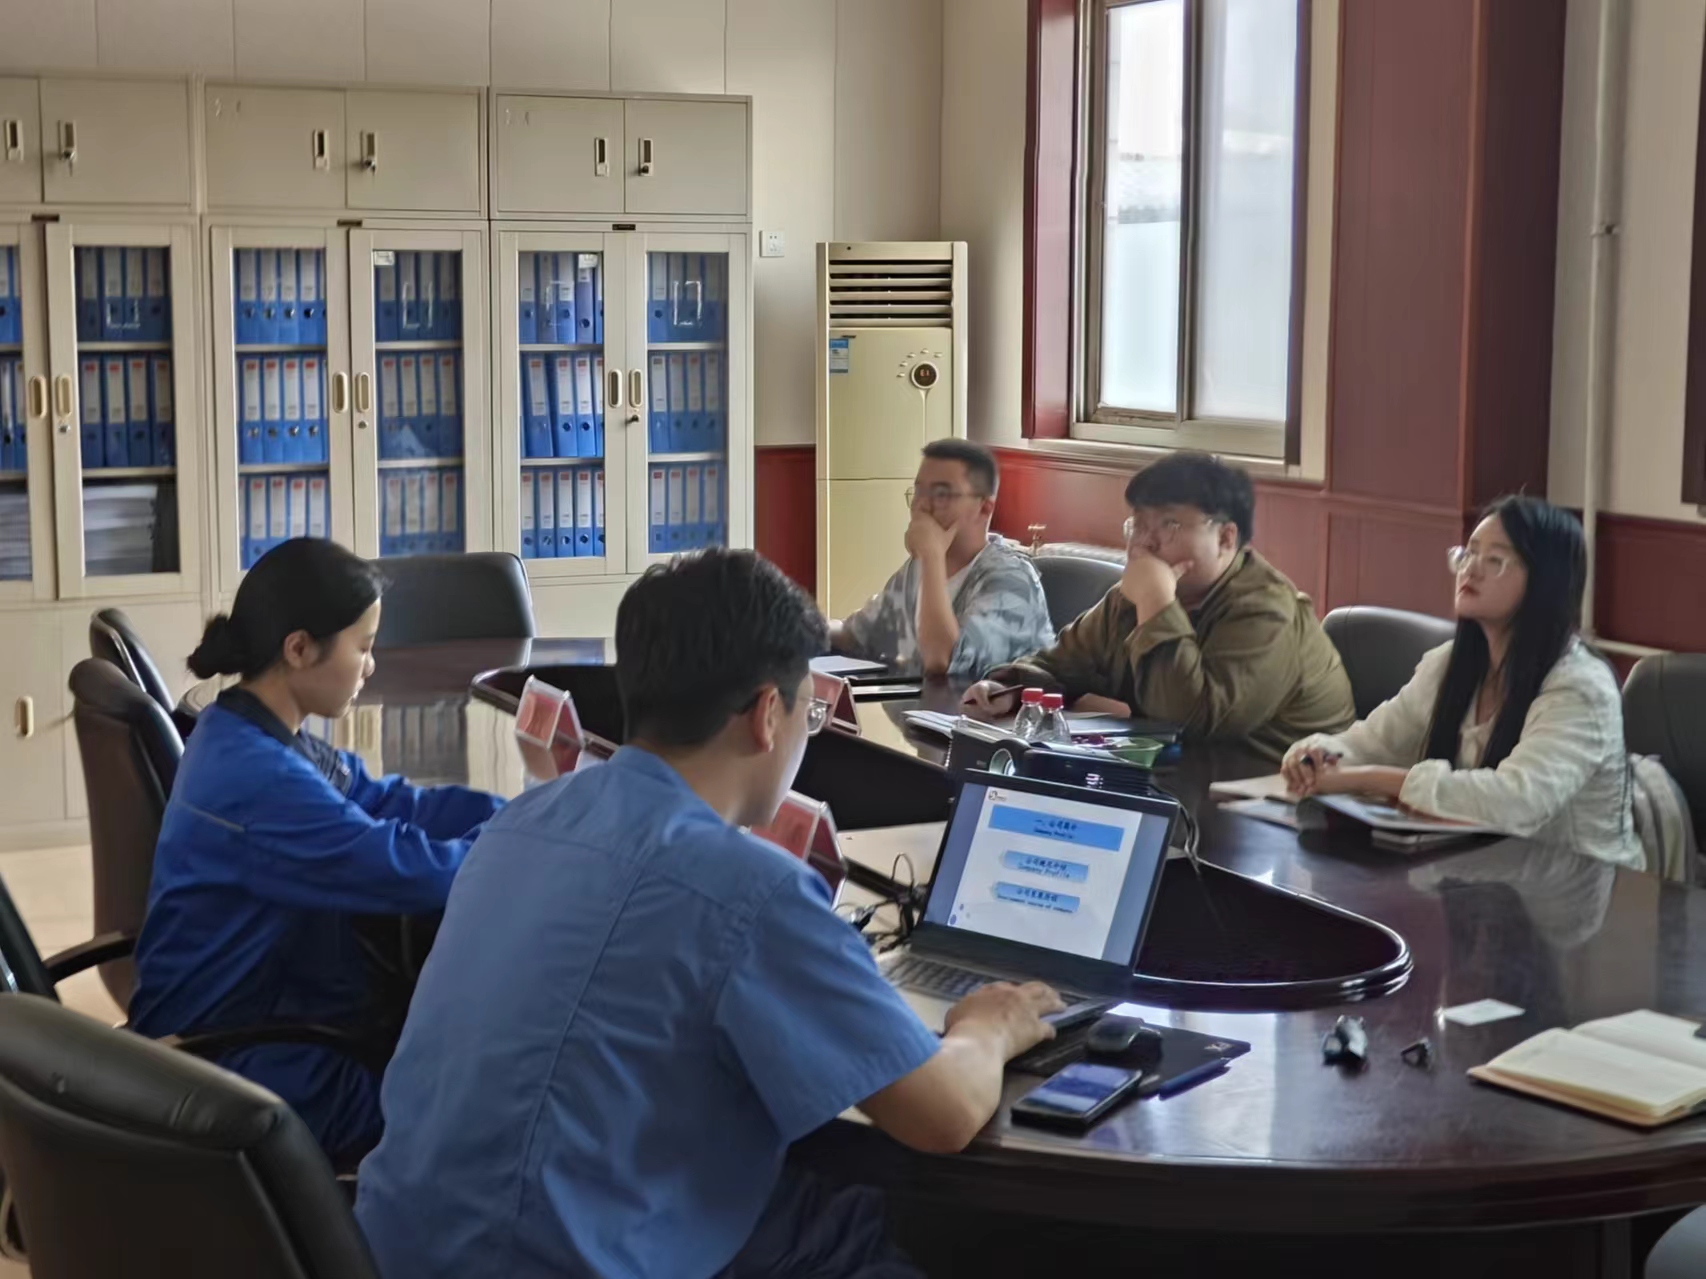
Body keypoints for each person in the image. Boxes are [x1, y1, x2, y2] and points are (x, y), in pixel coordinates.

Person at [356, 549, 1062, 1279]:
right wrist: (991, 1024)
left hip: (396, 1249)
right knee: (883, 1229)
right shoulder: (749, 889)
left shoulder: (522, 822)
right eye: (810, 711)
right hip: (565, 1259)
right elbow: (943, 1115)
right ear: (767, 714)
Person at [128, 538, 504, 1163]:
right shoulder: (256, 778)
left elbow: (389, 802)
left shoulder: (246, 729)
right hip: (229, 1063)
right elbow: (406, 871)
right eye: (363, 647)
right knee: (467, 1109)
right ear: (299, 649)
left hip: (267, 1018)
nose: (371, 667)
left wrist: (517, 816)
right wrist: (516, 850)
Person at [1281, 496, 1643, 868]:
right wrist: (1315, 755)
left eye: (1495, 560)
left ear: (1545, 580)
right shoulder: (1449, 665)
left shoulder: (1581, 687)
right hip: (1483, 875)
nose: (1471, 569)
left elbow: (1514, 802)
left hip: (1586, 888)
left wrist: (1366, 779)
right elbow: (1373, 741)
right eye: (1468, 553)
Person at [964, 452, 1354, 761]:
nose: (1145, 543)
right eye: (1138, 525)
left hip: (1280, 802)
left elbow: (1187, 721)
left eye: (1169, 526)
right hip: (1185, 781)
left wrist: (1156, 602)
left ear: (1225, 538)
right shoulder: (1138, 595)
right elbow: (1060, 664)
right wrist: (1009, 688)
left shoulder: (1266, 611)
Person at [830, 439, 1054, 677]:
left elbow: (943, 662)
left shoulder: (1013, 580)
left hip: (978, 703)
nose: (921, 506)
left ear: (984, 508)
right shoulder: (917, 570)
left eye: (941, 494)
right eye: (918, 491)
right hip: (913, 700)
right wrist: (803, 625)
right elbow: (854, 634)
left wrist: (931, 555)